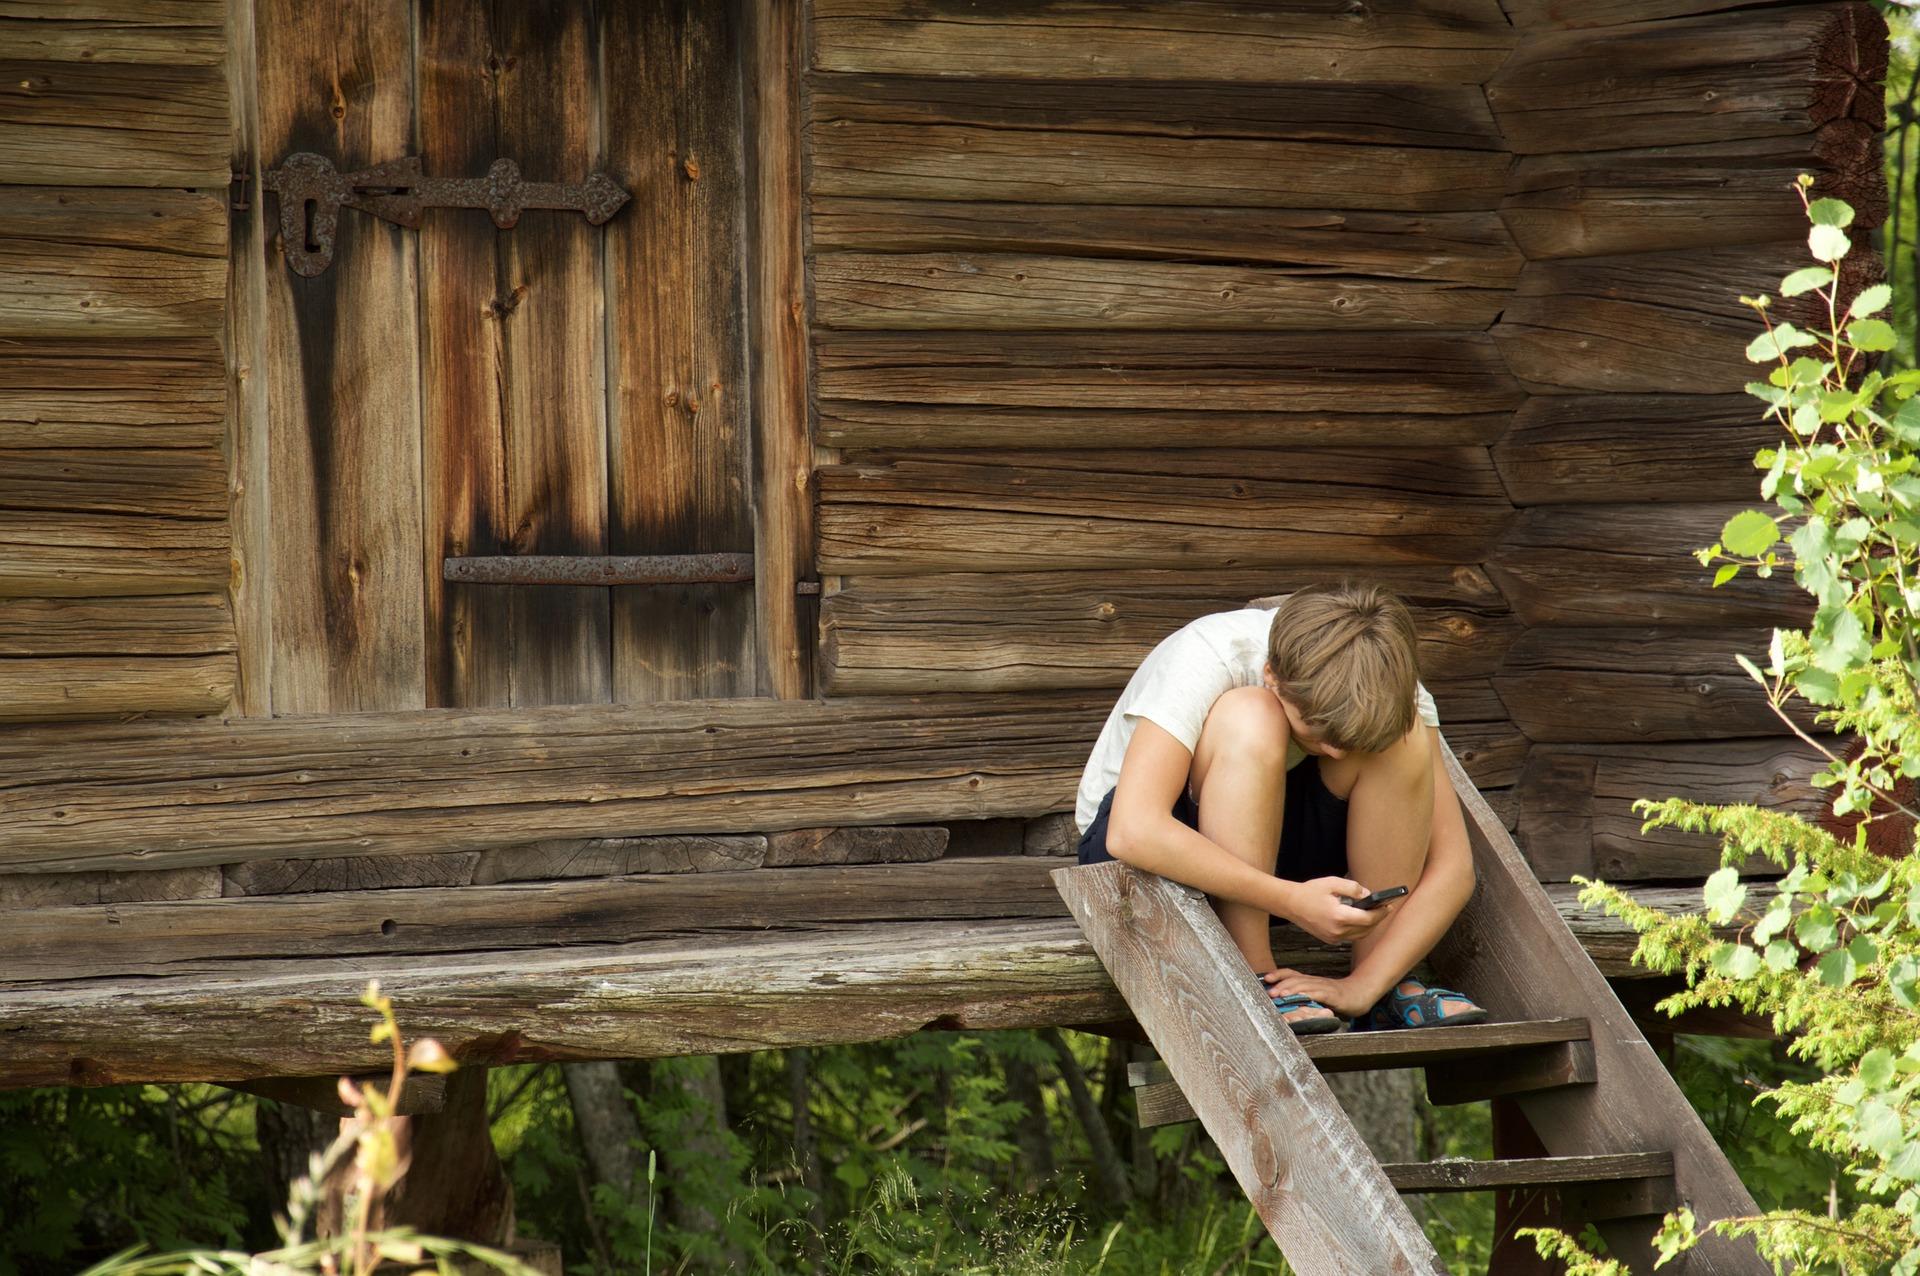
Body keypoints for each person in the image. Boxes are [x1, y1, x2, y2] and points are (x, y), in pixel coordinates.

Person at [1073, 580, 1483, 1034]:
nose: (1338, 754)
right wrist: (1290, 901)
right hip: (1146, 859)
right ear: (1272, 673)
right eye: (1318, 734)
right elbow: (1133, 831)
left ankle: (1384, 993)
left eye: (1348, 741)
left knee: (1402, 737)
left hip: (1276, 851)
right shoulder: (1210, 653)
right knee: (1254, 715)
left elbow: (1453, 868)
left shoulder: (1382, 682)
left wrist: (1362, 986)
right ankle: (1258, 978)